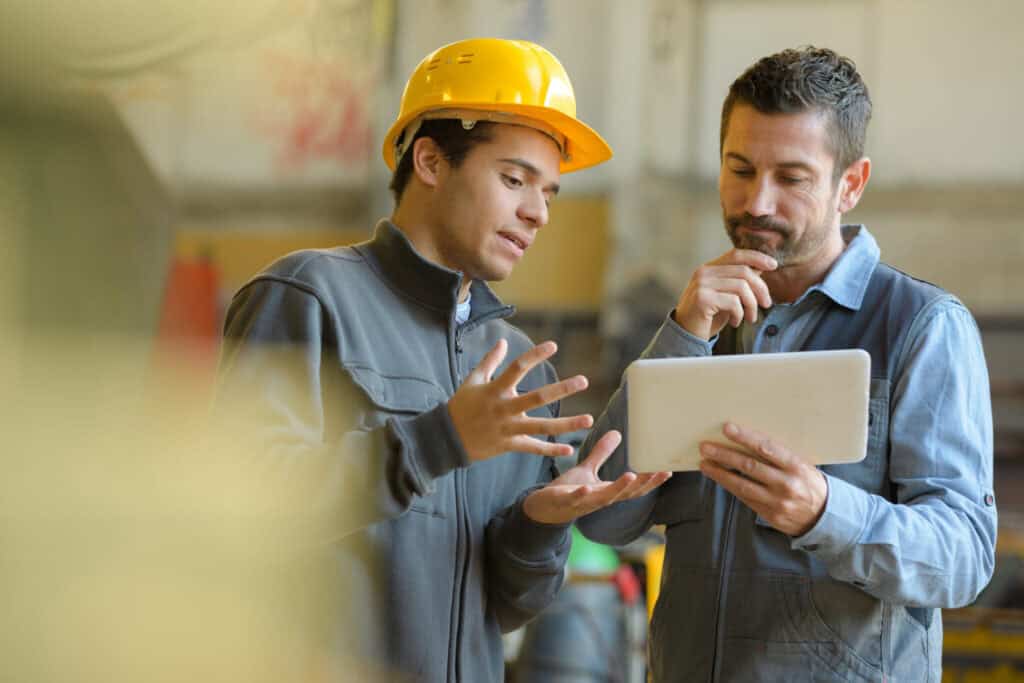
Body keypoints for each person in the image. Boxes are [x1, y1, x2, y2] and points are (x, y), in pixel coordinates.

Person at [212, 38, 670, 682]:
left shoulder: (520, 371)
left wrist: (539, 526)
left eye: (550, 193)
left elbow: (513, 605)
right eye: (514, 180)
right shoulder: (309, 298)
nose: (537, 213)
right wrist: (437, 440)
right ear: (429, 160)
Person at [577, 46, 996, 682]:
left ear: (849, 185)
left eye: (792, 178)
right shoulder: (699, 322)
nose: (758, 203)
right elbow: (604, 515)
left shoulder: (922, 327)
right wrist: (684, 337)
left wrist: (827, 512)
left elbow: (962, 558)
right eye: (739, 169)